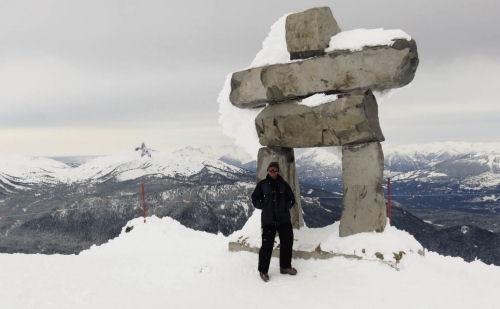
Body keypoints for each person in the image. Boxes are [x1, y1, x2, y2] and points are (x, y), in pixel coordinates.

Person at [251, 161, 298, 282]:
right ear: (268, 171)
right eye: (271, 170)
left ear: (278, 171)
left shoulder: (284, 184)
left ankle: (285, 267)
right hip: (268, 221)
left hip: (284, 220)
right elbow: (254, 198)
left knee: (287, 243)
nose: (273, 172)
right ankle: (263, 271)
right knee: (267, 246)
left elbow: (292, 199)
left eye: (275, 170)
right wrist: (262, 206)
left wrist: (285, 207)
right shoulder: (262, 185)